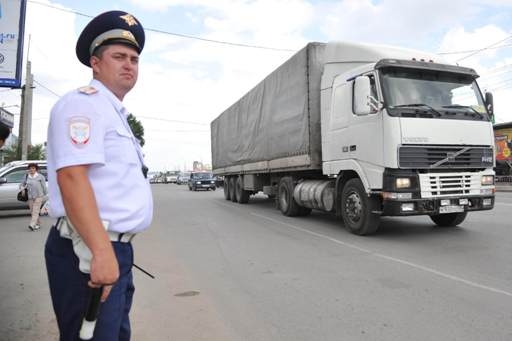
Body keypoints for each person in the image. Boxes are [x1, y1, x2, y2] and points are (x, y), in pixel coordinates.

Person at [45, 10, 153, 341]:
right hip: (89, 250)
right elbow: (72, 178)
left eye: (134, 59)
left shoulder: (114, 113)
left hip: (111, 249)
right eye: (118, 57)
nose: (128, 65)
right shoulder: (84, 104)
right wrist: (103, 252)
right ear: (95, 63)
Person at [21, 163, 48, 231]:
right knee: (32, 211)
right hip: (30, 196)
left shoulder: (40, 176)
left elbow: (44, 186)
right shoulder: (26, 176)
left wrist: (46, 194)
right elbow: (22, 184)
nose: (31, 169)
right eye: (30, 168)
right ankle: (38, 224)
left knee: (35, 211)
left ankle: (32, 225)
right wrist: (22, 189)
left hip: (39, 196)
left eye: (33, 168)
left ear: (36, 169)